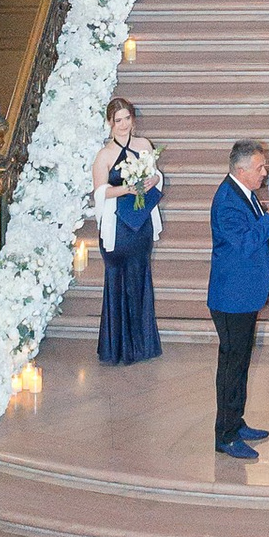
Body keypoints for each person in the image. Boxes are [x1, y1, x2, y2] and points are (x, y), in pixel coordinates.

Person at [206, 139, 269, 459]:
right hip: (231, 297)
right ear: (242, 170)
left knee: (240, 363)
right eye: (259, 167)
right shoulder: (227, 201)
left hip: (243, 295)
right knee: (231, 366)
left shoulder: (242, 193)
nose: (265, 172)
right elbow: (245, 244)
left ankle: (236, 421)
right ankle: (225, 435)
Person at [91, 94, 160, 367]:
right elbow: (99, 191)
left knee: (140, 277)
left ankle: (142, 345)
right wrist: (126, 189)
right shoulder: (104, 155)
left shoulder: (144, 145)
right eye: (117, 120)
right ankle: (117, 348)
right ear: (109, 123)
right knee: (118, 279)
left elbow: (155, 175)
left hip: (140, 223)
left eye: (127, 119)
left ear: (133, 120)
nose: (123, 125)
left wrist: (151, 180)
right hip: (117, 226)